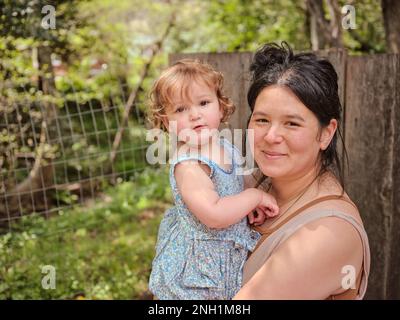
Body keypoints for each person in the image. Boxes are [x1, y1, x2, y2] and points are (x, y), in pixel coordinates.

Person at [233, 42, 371, 300]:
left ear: (326, 133)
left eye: (292, 123)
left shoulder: (329, 233)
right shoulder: (249, 184)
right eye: (262, 119)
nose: (271, 136)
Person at [147, 59, 279, 300]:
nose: (195, 115)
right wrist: (255, 197)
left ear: (220, 107)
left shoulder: (224, 146)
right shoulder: (189, 165)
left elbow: (241, 179)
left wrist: (252, 202)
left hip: (224, 258)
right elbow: (214, 215)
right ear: (167, 122)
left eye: (203, 103)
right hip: (198, 273)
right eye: (180, 109)